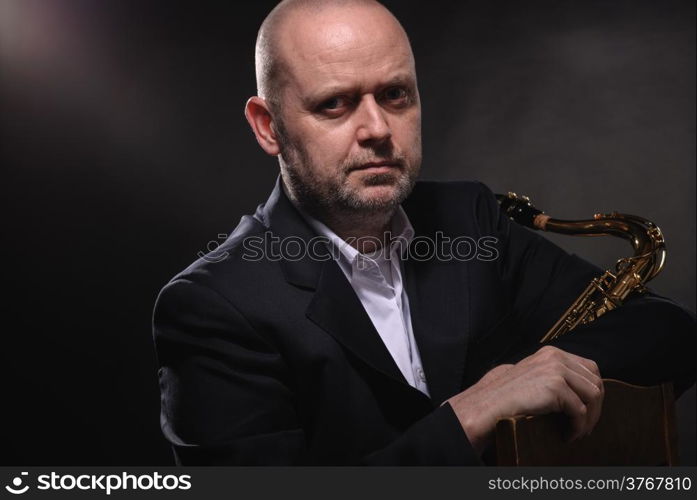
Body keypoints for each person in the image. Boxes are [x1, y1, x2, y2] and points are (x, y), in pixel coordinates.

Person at [152, 0, 696, 465]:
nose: (378, 130)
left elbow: (667, 334)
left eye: (395, 95)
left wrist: (546, 373)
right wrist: (470, 416)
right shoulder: (211, 307)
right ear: (268, 127)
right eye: (335, 104)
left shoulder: (469, 218)